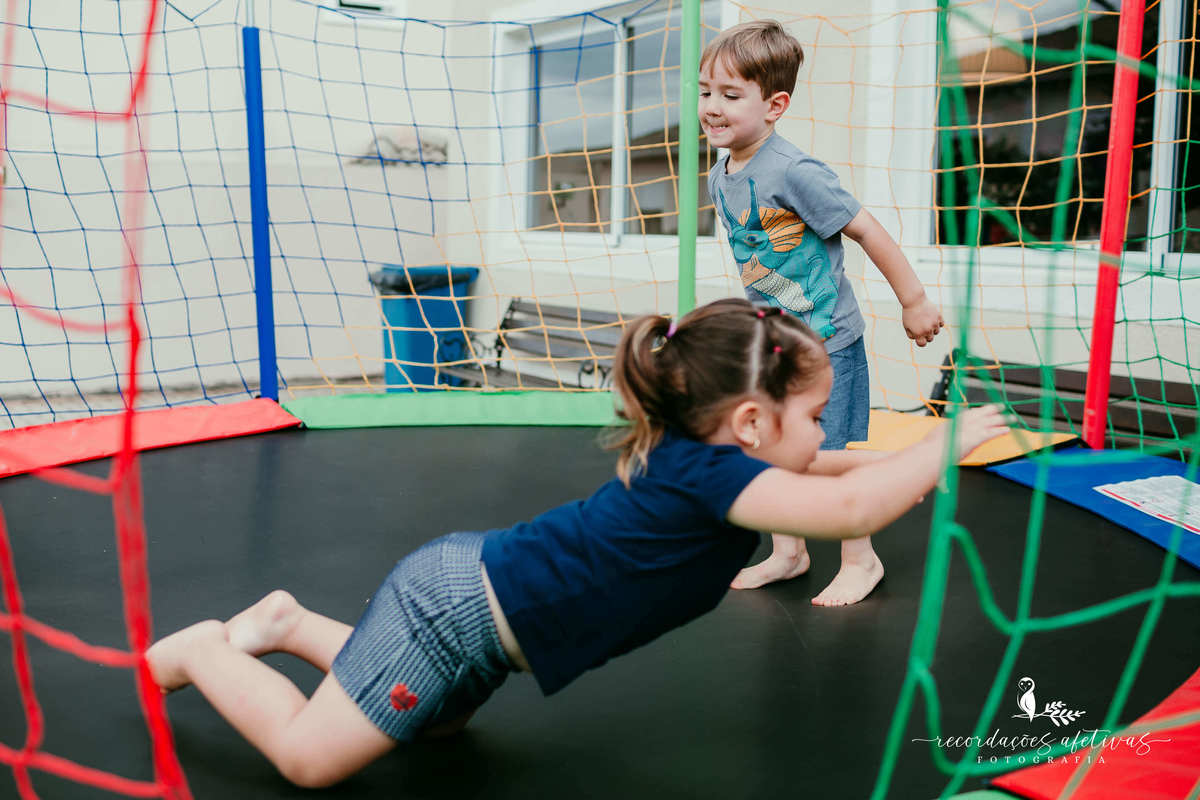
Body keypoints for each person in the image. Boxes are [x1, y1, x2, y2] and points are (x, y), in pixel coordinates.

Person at [146, 299, 1005, 788]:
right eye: (813, 414)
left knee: (427, 726)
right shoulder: (712, 478)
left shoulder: (714, 458)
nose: (822, 433)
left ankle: (290, 623)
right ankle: (201, 651)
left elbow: (830, 469)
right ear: (749, 423)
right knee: (309, 761)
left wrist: (903, 464)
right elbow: (848, 506)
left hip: (480, 629)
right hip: (447, 615)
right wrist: (940, 445)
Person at [700, 20, 945, 604]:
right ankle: (789, 552)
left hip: (827, 342)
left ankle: (862, 559)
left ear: (775, 105)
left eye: (730, 95)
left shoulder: (794, 171)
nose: (712, 107)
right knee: (772, 448)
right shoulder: (720, 173)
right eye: (705, 91)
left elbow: (866, 230)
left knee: (829, 453)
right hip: (774, 345)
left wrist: (914, 300)